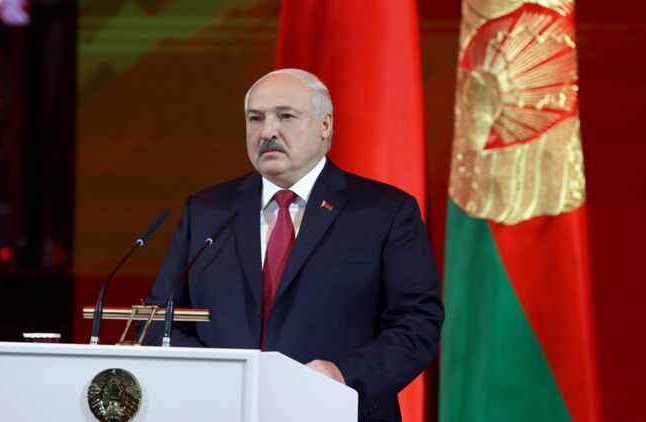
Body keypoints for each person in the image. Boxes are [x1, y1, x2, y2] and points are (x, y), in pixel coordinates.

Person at [142, 68, 443, 422]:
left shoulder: (384, 211)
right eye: (255, 119)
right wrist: (217, 376)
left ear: (325, 125)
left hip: (337, 410)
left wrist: (342, 375)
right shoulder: (207, 212)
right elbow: (157, 320)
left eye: (285, 116)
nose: (267, 131)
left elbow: (416, 324)